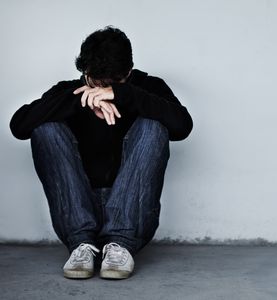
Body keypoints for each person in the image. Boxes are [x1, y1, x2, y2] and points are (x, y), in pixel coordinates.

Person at [9, 26, 193, 280]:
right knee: (46, 128)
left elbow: (183, 126)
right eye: (96, 83)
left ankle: (119, 244)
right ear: (85, 73)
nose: (102, 90)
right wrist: (79, 100)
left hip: (132, 213)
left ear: (128, 73)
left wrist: (122, 95)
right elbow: (19, 126)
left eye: (113, 84)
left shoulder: (147, 87)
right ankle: (82, 246)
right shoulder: (70, 91)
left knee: (154, 126)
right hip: (77, 212)